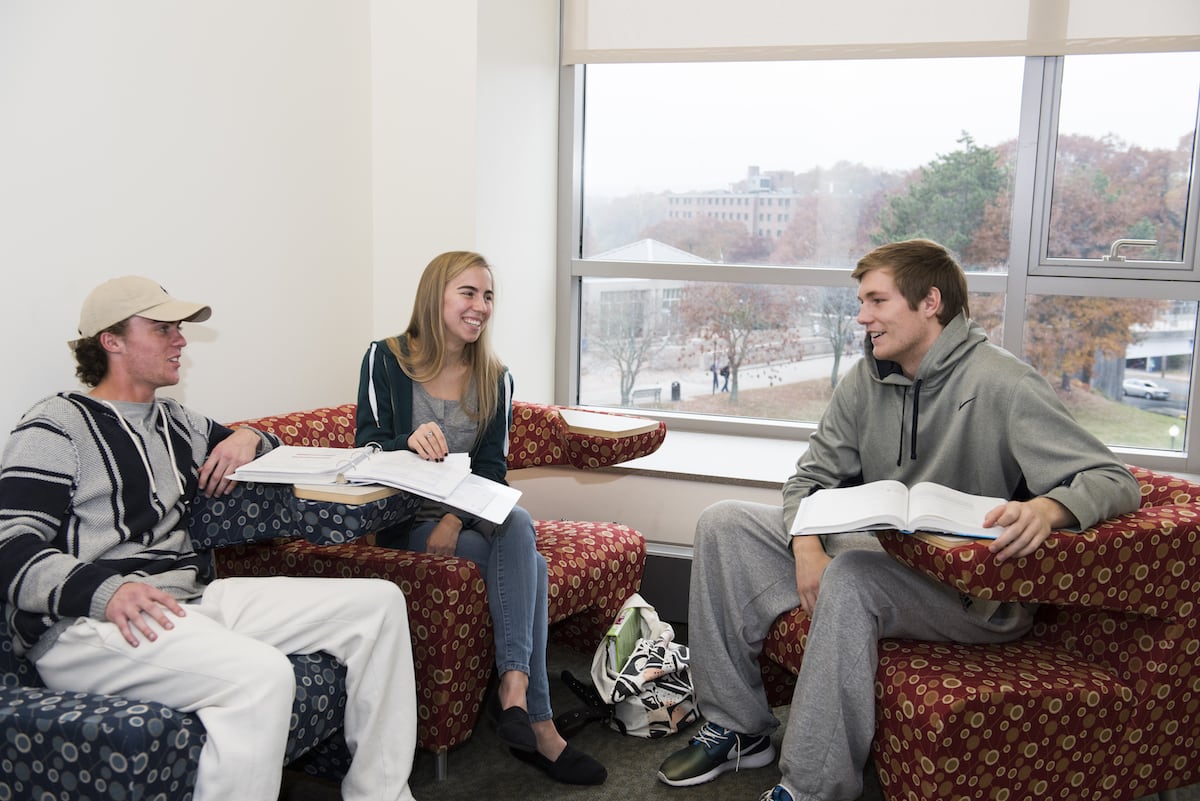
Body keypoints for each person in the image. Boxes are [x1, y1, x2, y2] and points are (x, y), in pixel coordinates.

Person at [656, 239, 1142, 801]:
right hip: (892, 551)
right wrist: (806, 543)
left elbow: (1114, 480)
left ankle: (813, 787)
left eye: (876, 301)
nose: (862, 317)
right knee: (724, 522)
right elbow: (808, 479)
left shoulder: (1004, 383)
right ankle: (740, 729)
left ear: (929, 301)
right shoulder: (867, 379)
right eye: (862, 302)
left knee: (854, 574)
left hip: (974, 591)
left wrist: (1047, 507)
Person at [0, 276, 419, 801]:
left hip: (190, 601)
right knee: (263, 676)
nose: (180, 340)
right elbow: (11, 544)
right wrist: (107, 592)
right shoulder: (55, 426)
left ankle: (379, 794)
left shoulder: (176, 420)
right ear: (111, 341)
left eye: (179, 327)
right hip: (91, 623)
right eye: (162, 328)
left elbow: (270, 447)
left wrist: (249, 436)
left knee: (379, 603)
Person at [355, 250, 606, 786]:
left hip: (467, 515)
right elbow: (365, 448)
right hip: (405, 521)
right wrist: (403, 442)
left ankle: (512, 688)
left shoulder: (494, 375)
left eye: (488, 296)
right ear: (436, 296)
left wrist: (452, 520)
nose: (481, 306)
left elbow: (493, 469)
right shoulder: (386, 359)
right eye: (468, 293)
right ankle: (537, 723)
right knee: (530, 565)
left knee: (517, 523)